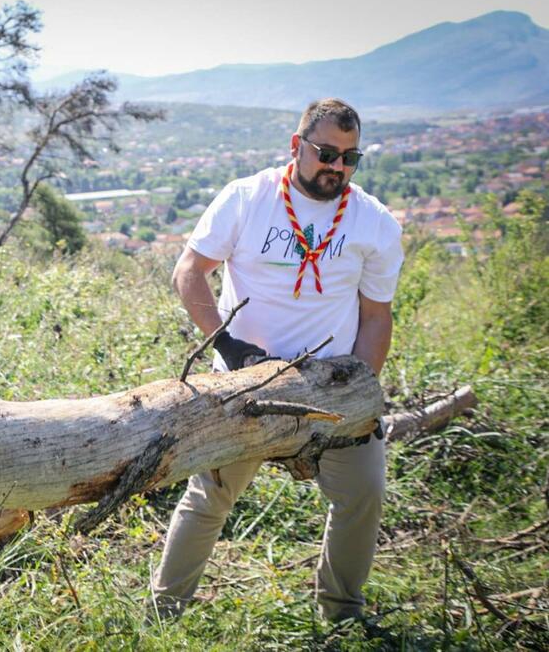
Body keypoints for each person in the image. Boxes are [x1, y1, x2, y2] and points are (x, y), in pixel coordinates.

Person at [151, 98, 403, 623]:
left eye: (350, 158)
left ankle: (342, 615)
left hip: (329, 388)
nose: (337, 167)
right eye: (326, 153)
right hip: (246, 384)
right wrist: (227, 346)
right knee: (210, 496)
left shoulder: (373, 221)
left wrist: (361, 391)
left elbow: (377, 317)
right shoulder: (247, 198)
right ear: (296, 146)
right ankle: (163, 614)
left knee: (363, 494)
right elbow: (189, 272)